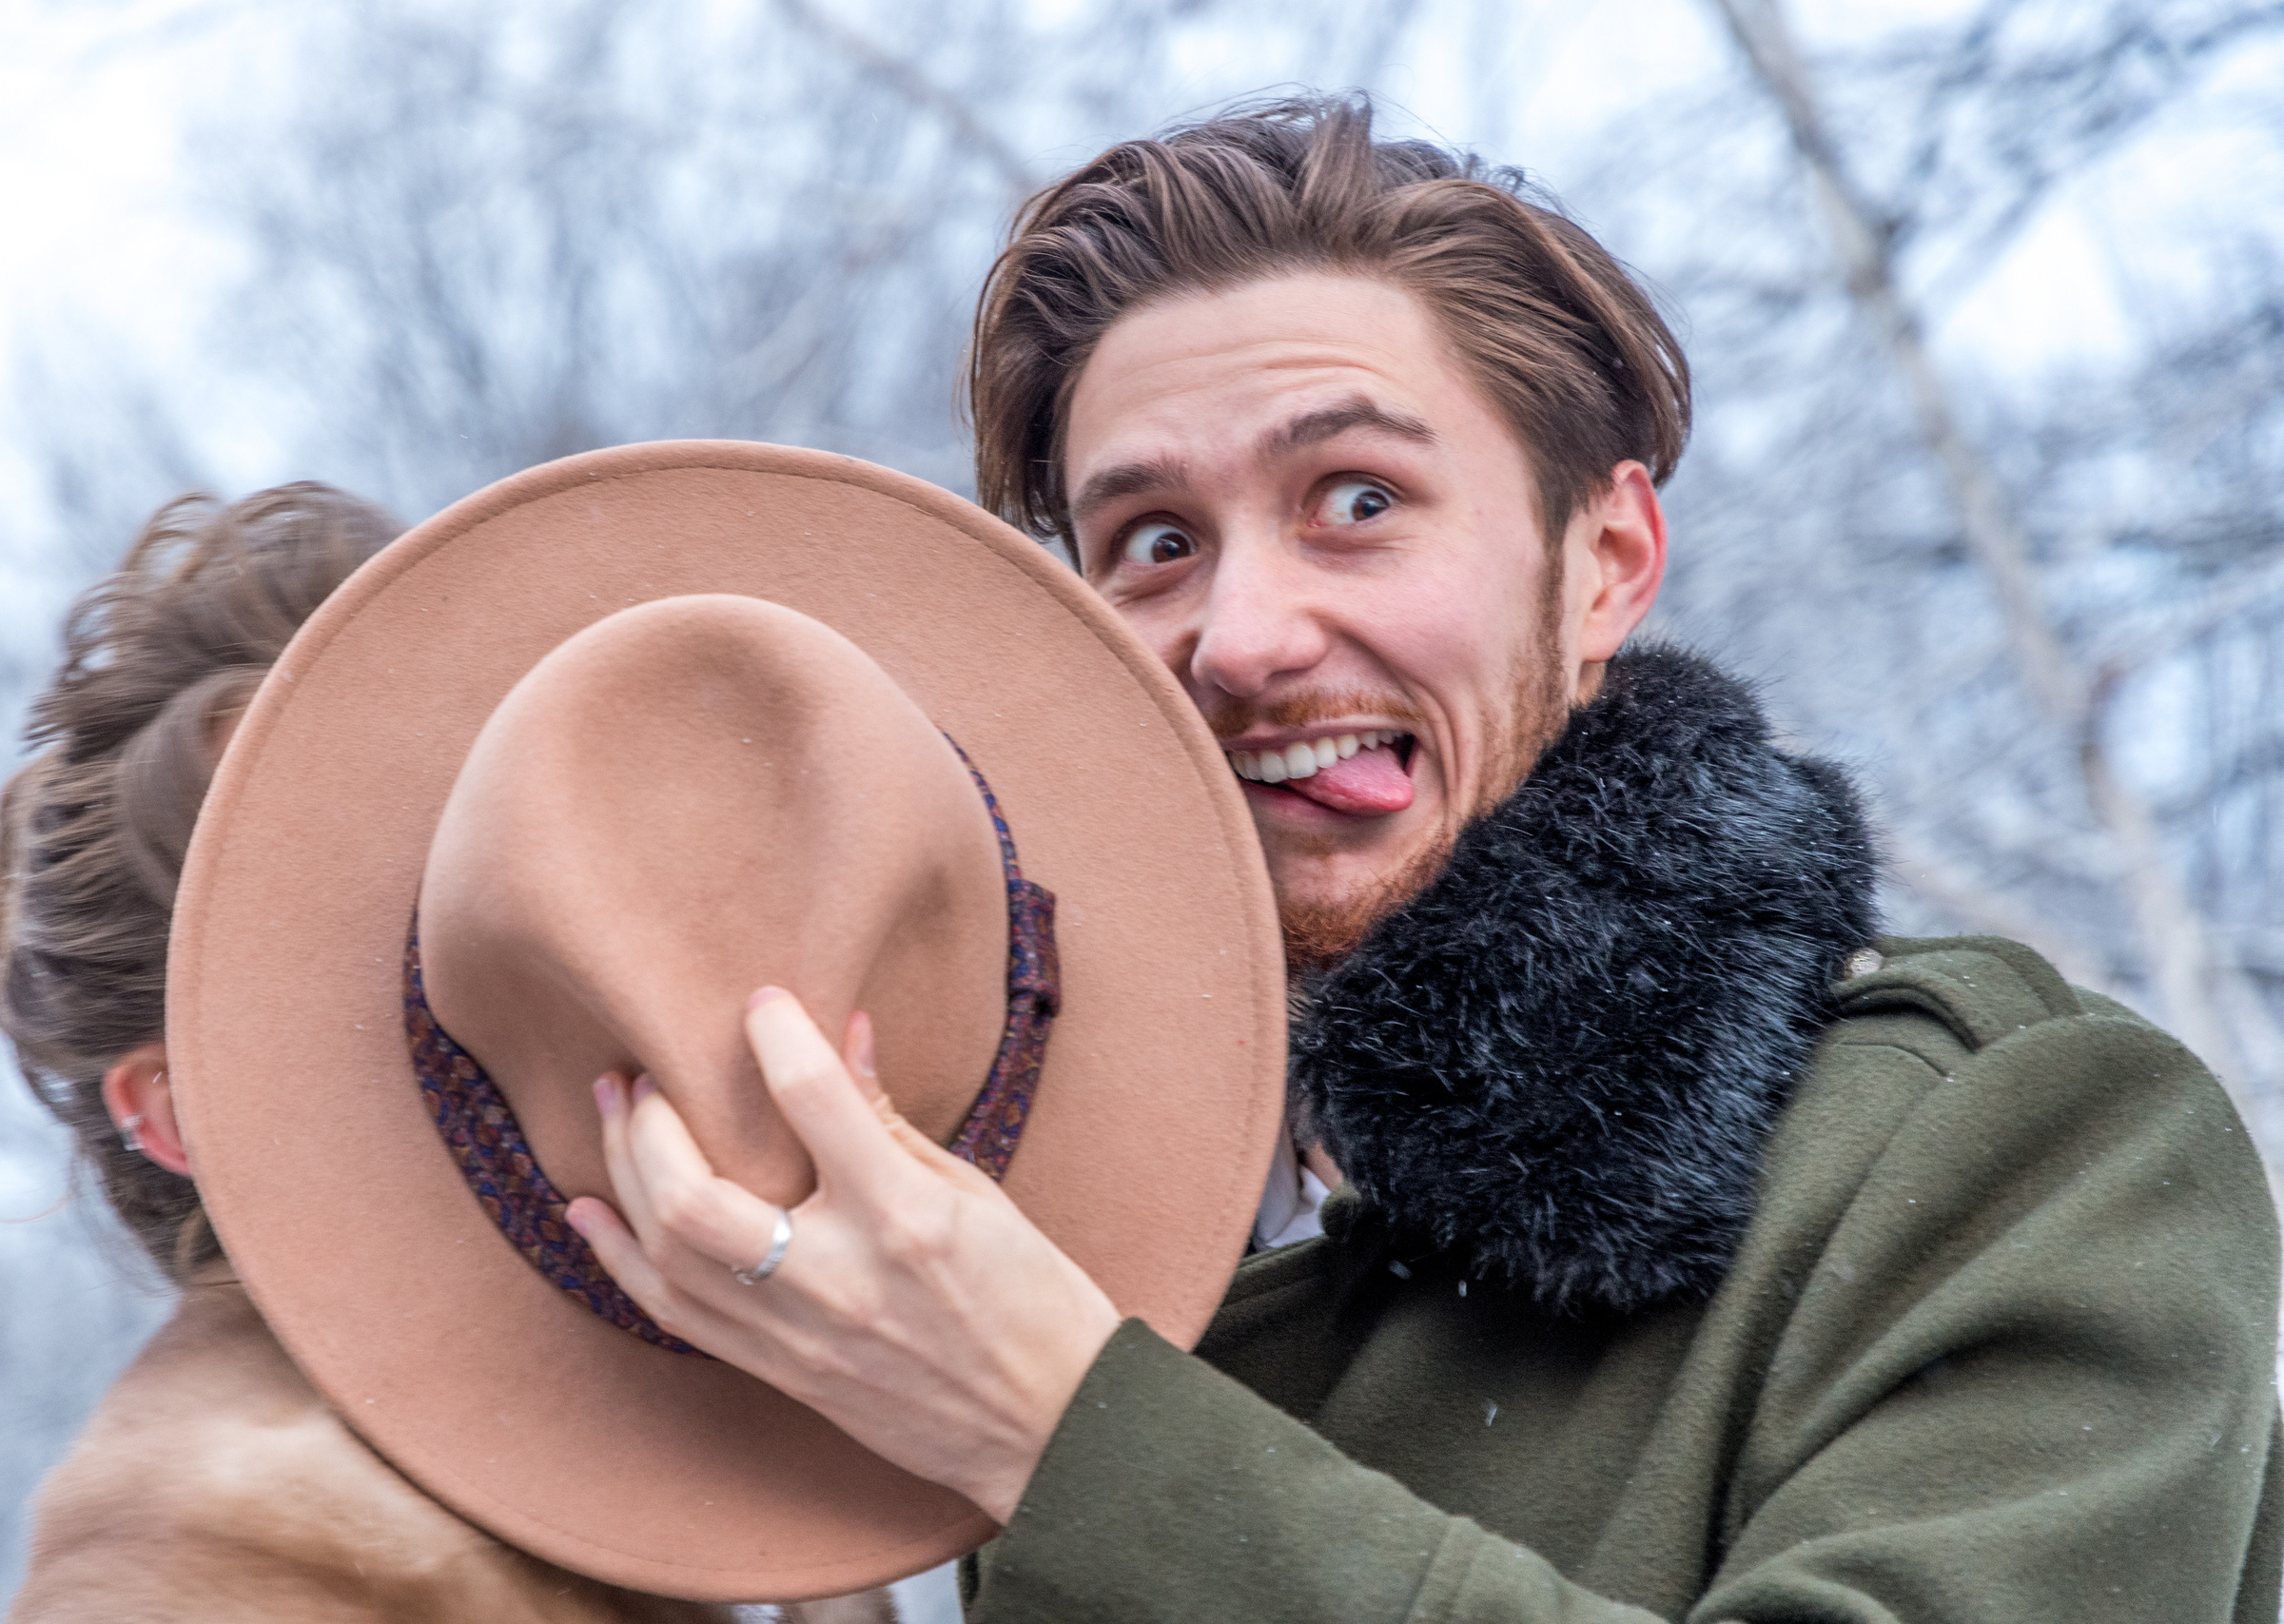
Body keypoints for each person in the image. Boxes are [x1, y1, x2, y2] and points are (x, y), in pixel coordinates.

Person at [567, 96, 2284, 1620]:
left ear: (1605, 561)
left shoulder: (2023, 1150)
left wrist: (1065, 1426)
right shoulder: (1006, 1236)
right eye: (1152, 542)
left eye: (1359, 498)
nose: (1239, 637)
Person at [0, 484, 899, 1623]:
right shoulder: (201, 1575)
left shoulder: (700, 1401)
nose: (465, 955)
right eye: (336, 928)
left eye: (466, 858)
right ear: (174, 1110)